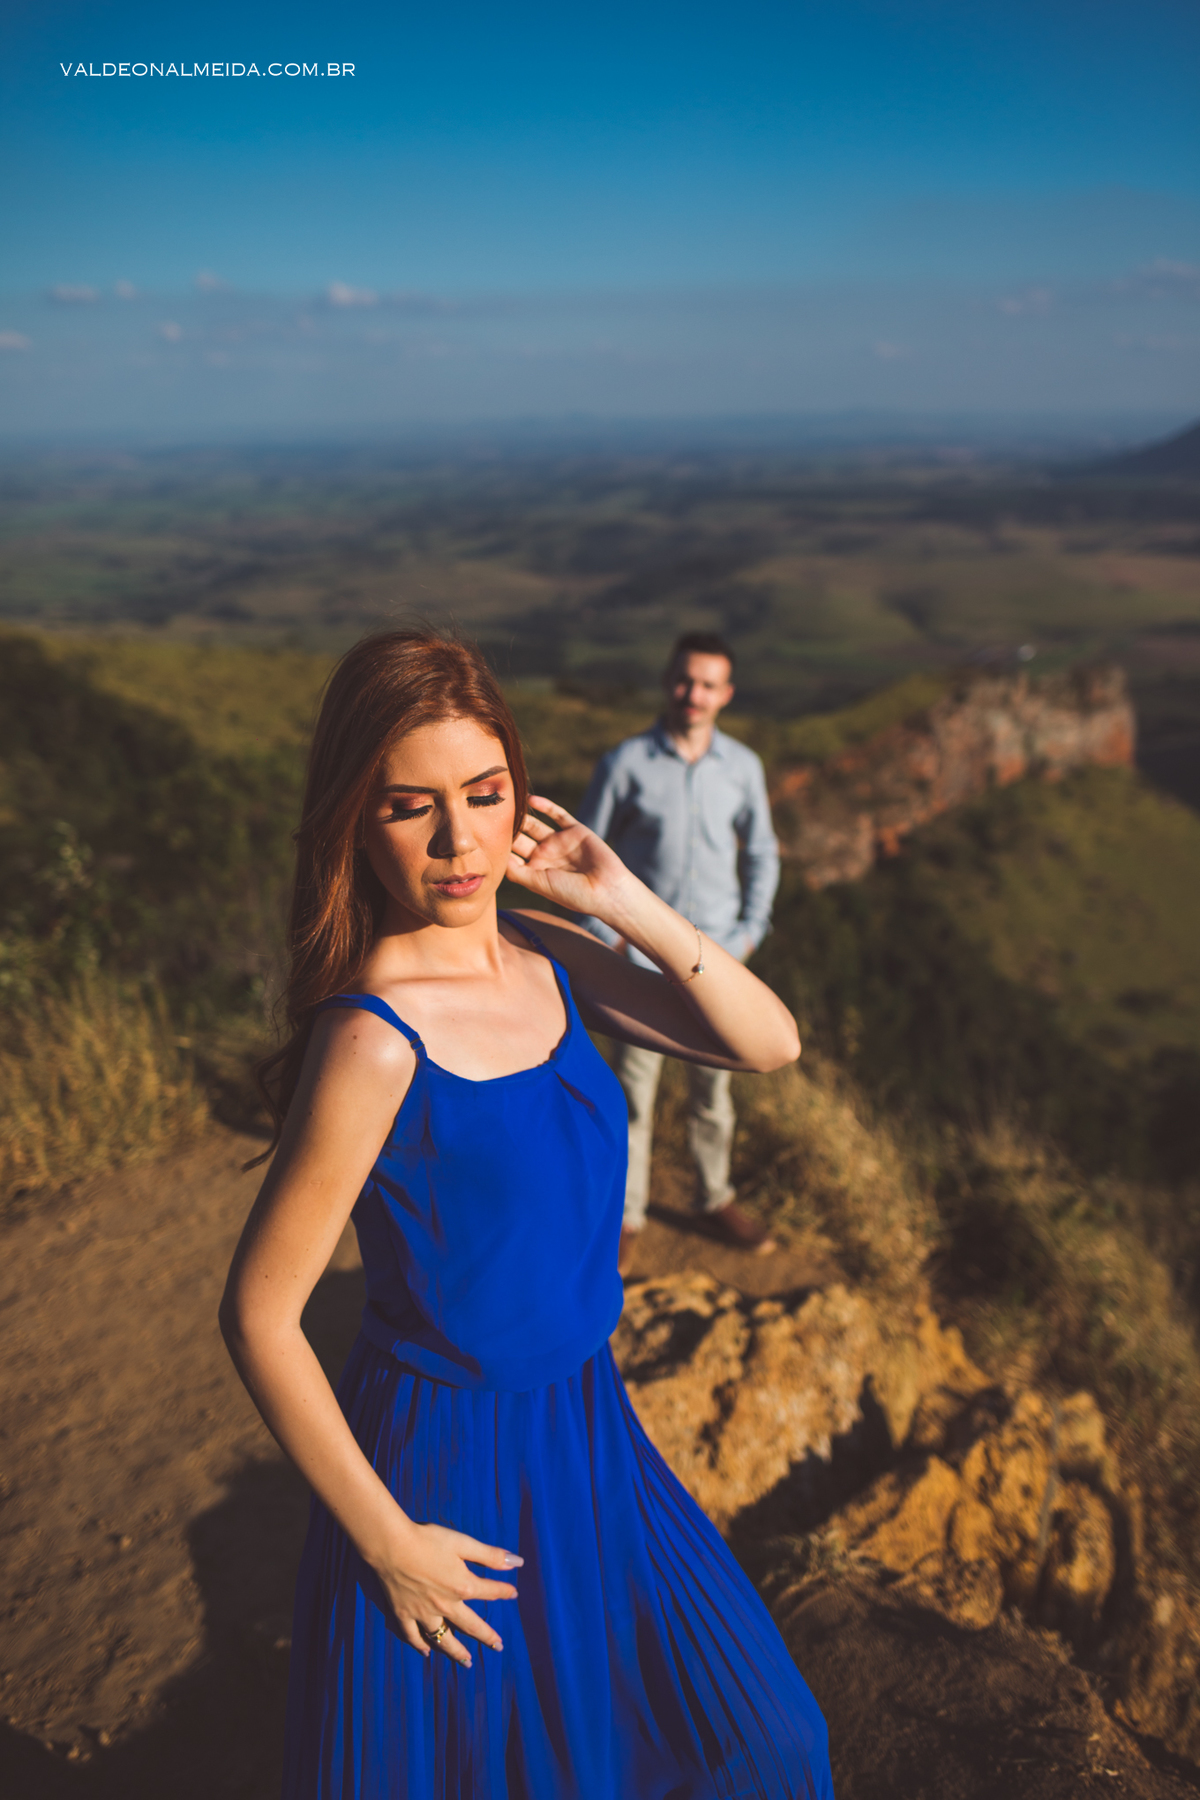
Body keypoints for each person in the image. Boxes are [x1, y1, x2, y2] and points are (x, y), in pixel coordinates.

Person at [219, 628, 831, 1800]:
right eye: (412, 807)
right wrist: (388, 1547)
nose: (461, 842)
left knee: (771, 1742)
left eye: (485, 795)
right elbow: (259, 1315)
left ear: (521, 795)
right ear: (358, 817)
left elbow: (770, 1042)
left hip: (591, 1429)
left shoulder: (547, 950)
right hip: (449, 1465)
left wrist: (628, 902)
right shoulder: (370, 1040)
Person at [576, 631, 780, 1275]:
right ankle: (629, 1216)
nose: (694, 694)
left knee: (713, 1094)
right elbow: (580, 849)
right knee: (633, 1098)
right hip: (639, 964)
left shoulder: (744, 767)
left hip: (720, 963)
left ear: (727, 694)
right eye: (685, 680)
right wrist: (603, 935)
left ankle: (711, 1198)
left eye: (708, 684)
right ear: (669, 682)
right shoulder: (625, 762)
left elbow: (762, 853)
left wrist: (750, 932)